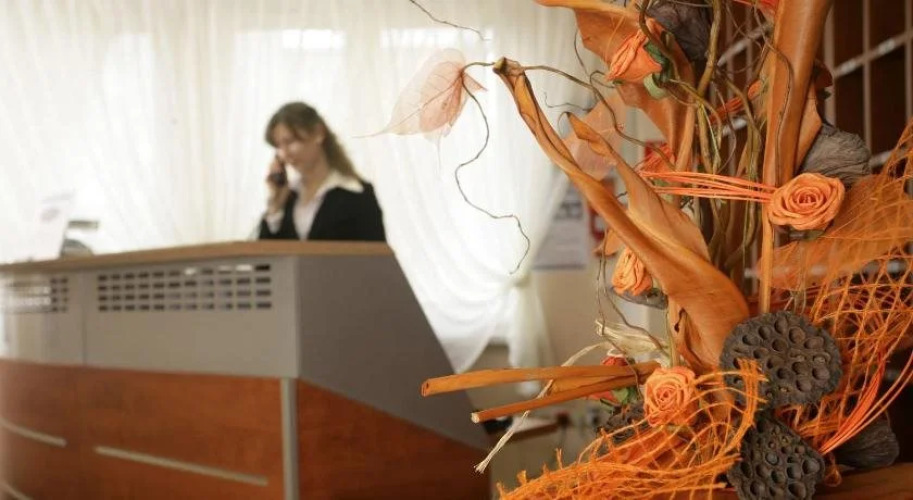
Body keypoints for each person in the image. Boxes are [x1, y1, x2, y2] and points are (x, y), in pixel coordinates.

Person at [258, 102, 385, 241]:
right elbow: (263, 254)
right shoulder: (289, 197)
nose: (284, 154)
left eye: (290, 142)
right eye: (278, 146)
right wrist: (275, 208)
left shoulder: (357, 194)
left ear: (318, 133)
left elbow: (375, 252)